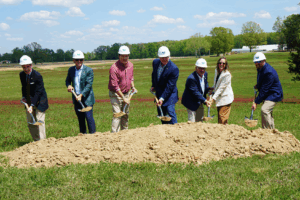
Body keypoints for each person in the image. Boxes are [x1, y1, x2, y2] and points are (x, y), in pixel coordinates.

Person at [66, 50, 96, 134]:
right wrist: (68, 85)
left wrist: (81, 95)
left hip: (87, 98)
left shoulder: (88, 70)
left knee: (89, 118)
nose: (79, 61)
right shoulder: (71, 70)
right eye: (77, 60)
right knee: (81, 119)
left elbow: (88, 85)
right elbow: (67, 81)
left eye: (81, 59)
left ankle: (93, 137)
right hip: (76, 98)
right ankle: (83, 139)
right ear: (73, 60)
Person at [19, 55, 48, 141]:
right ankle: (36, 141)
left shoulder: (37, 76)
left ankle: (42, 142)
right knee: (31, 122)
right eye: (24, 67)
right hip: (29, 101)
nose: (26, 69)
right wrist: (24, 98)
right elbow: (24, 87)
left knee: (40, 121)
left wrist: (32, 105)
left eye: (28, 66)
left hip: (40, 101)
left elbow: (38, 92)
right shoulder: (22, 75)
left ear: (31, 65)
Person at [108, 45, 137, 133]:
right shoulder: (114, 68)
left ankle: (124, 133)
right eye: (123, 56)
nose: (125, 58)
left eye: (126, 56)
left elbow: (131, 78)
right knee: (117, 114)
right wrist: (123, 98)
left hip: (126, 92)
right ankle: (115, 134)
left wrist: (133, 87)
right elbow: (115, 86)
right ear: (119, 56)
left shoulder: (130, 65)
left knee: (125, 114)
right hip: (115, 94)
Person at [251, 52, 283, 129]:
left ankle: (267, 132)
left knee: (264, 110)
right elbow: (262, 81)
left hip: (274, 94)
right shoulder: (260, 68)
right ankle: (272, 131)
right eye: (255, 62)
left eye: (258, 62)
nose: (256, 64)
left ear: (263, 61)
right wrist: (258, 86)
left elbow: (264, 90)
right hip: (268, 93)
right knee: (268, 112)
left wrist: (256, 102)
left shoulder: (269, 72)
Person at [151, 46, 179, 124]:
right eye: (162, 57)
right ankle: (165, 131)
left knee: (170, 112)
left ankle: (175, 129)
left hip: (170, 94)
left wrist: (162, 98)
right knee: (162, 113)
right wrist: (153, 85)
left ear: (169, 56)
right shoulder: (155, 63)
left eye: (166, 57)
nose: (164, 59)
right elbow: (154, 75)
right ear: (159, 57)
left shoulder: (174, 69)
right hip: (159, 92)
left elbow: (170, 86)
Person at [209, 57, 234, 125]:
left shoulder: (227, 74)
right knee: (221, 119)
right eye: (220, 63)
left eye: (223, 63)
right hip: (220, 99)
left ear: (226, 65)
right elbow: (216, 84)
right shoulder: (216, 71)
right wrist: (212, 88)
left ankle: (225, 133)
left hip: (225, 99)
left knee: (222, 118)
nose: (221, 64)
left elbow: (221, 88)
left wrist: (213, 99)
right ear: (218, 64)